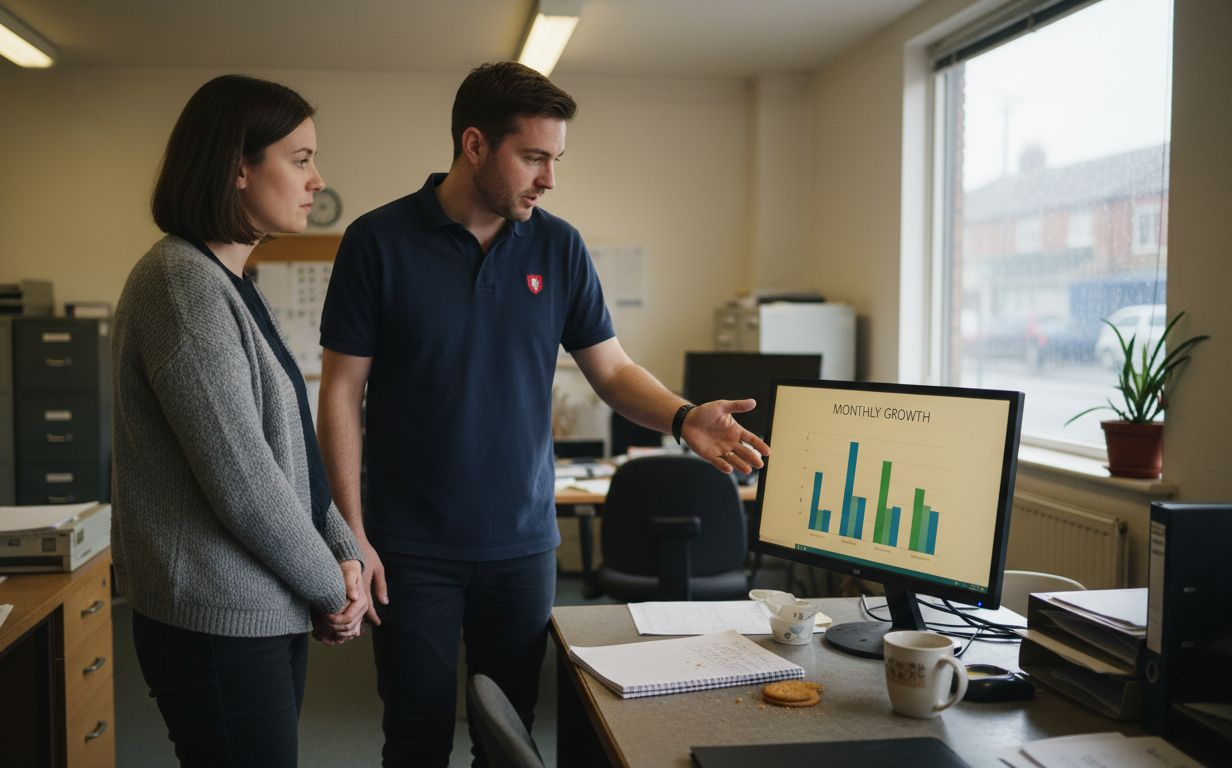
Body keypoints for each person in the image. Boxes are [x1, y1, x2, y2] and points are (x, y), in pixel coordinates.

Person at [317, 61, 770, 766]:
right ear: (474, 145)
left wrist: (684, 418)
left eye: (555, 160)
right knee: (416, 731)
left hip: (523, 545)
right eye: (533, 157)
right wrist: (354, 534)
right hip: (412, 546)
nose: (549, 179)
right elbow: (342, 391)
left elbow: (612, 370)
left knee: (510, 733)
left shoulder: (558, 246)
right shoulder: (378, 242)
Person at [111, 74, 367, 768]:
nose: (318, 180)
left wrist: (341, 551)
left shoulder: (232, 282)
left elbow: (291, 459)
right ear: (237, 168)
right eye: (301, 158)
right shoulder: (181, 282)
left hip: (261, 603)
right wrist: (330, 584)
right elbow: (243, 479)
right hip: (213, 617)